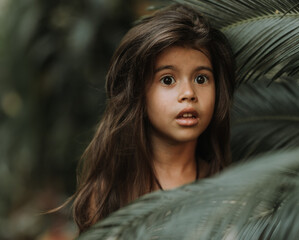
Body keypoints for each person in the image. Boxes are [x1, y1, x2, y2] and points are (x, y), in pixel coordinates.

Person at [72, 3, 235, 233]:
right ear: (139, 93)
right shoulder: (109, 196)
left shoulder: (232, 190)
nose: (189, 93)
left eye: (201, 79)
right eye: (168, 80)